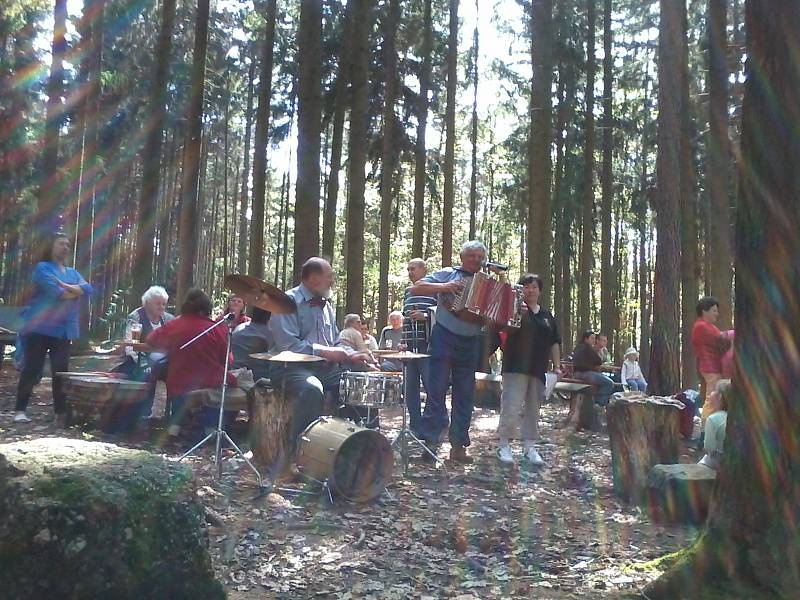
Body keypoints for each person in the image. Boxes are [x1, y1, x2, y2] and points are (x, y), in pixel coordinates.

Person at [268, 257, 374, 439]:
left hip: (324, 368)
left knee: (361, 382)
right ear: (315, 278)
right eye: (329, 276)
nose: (332, 280)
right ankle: (299, 448)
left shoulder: (327, 306)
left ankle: (361, 441)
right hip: (289, 368)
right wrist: (325, 352)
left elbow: (335, 343)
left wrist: (352, 355)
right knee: (312, 389)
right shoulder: (286, 301)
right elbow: (289, 345)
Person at [408, 240, 490, 463]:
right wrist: (444, 288)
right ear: (462, 256)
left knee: (465, 395)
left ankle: (458, 447)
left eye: (479, 256)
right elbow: (416, 287)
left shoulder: (488, 284)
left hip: (471, 342)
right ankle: (431, 445)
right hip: (444, 337)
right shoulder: (447, 274)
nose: (475, 260)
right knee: (436, 391)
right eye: (471, 255)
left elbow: (495, 316)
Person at [15, 234, 93, 425]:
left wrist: (67, 286)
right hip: (40, 328)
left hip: (64, 330)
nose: (65, 247)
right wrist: (75, 291)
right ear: (51, 247)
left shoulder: (73, 272)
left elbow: (88, 289)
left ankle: (60, 413)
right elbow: (57, 294)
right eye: (61, 244)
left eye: (67, 244)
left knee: (61, 372)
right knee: (32, 369)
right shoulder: (42, 268)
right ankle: (19, 411)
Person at [143, 288, 236, 440]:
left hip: (180, 381)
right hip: (209, 381)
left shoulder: (175, 325)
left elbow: (151, 340)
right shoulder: (216, 329)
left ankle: (175, 428)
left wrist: (171, 346)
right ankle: (211, 429)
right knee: (231, 382)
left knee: (177, 379)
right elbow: (228, 361)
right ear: (207, 308)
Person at [497, 274, 561, 467]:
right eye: (525, 287)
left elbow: (555, 342)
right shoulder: (514, 309)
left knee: (534, 408)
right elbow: (503, 331)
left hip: (538, 369)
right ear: (521, 290)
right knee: (511, 406)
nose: (530, 290)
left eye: (533, 287)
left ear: (539, 290)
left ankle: (529, 447)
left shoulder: (547, 316)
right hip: (515, 366)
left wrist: (557, 366)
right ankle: (504, 445)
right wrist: (515, 312)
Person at [402, 258, 436, 434]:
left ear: (424, 269)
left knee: (431, 385)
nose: (410, 272)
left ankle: (432, 424)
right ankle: (415, 425)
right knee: (410, 387)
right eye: (408, 269)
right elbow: (405, 318)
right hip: (409, 347)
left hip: (427, 346)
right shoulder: (408, 292)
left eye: (413, 269)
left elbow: (443, 314)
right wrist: (402, 341)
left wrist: (425, 316)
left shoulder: (434, 289)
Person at [691, 296, 732, 421]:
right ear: (704, 311)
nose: (717, 314)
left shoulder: (706, 326)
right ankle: (705, 433)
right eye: (714, 310)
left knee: (714, 399)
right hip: (711, 368)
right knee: (712, 399)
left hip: (712, 367)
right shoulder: (702, 326)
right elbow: (722, 339)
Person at [230, 306, 273, 381]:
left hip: (234, 374)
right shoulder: (270, 333)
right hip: (257, 378)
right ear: (270, 316)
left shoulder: (239, 328)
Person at [572, 330, 614, 406]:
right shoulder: (588, 347)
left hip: (578, 373)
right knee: (609, 383)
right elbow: (598, 361)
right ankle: (599, 404)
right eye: (592, 338)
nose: (594, 340)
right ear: (586, 339)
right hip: (585, 374)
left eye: (594, 338)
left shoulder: (578, 347)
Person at [698, 379, 730, 470]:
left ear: (719, 396)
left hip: (720, 461)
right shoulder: (740, 417)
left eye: (714, 390)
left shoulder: (713, 419)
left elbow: (709, 448)